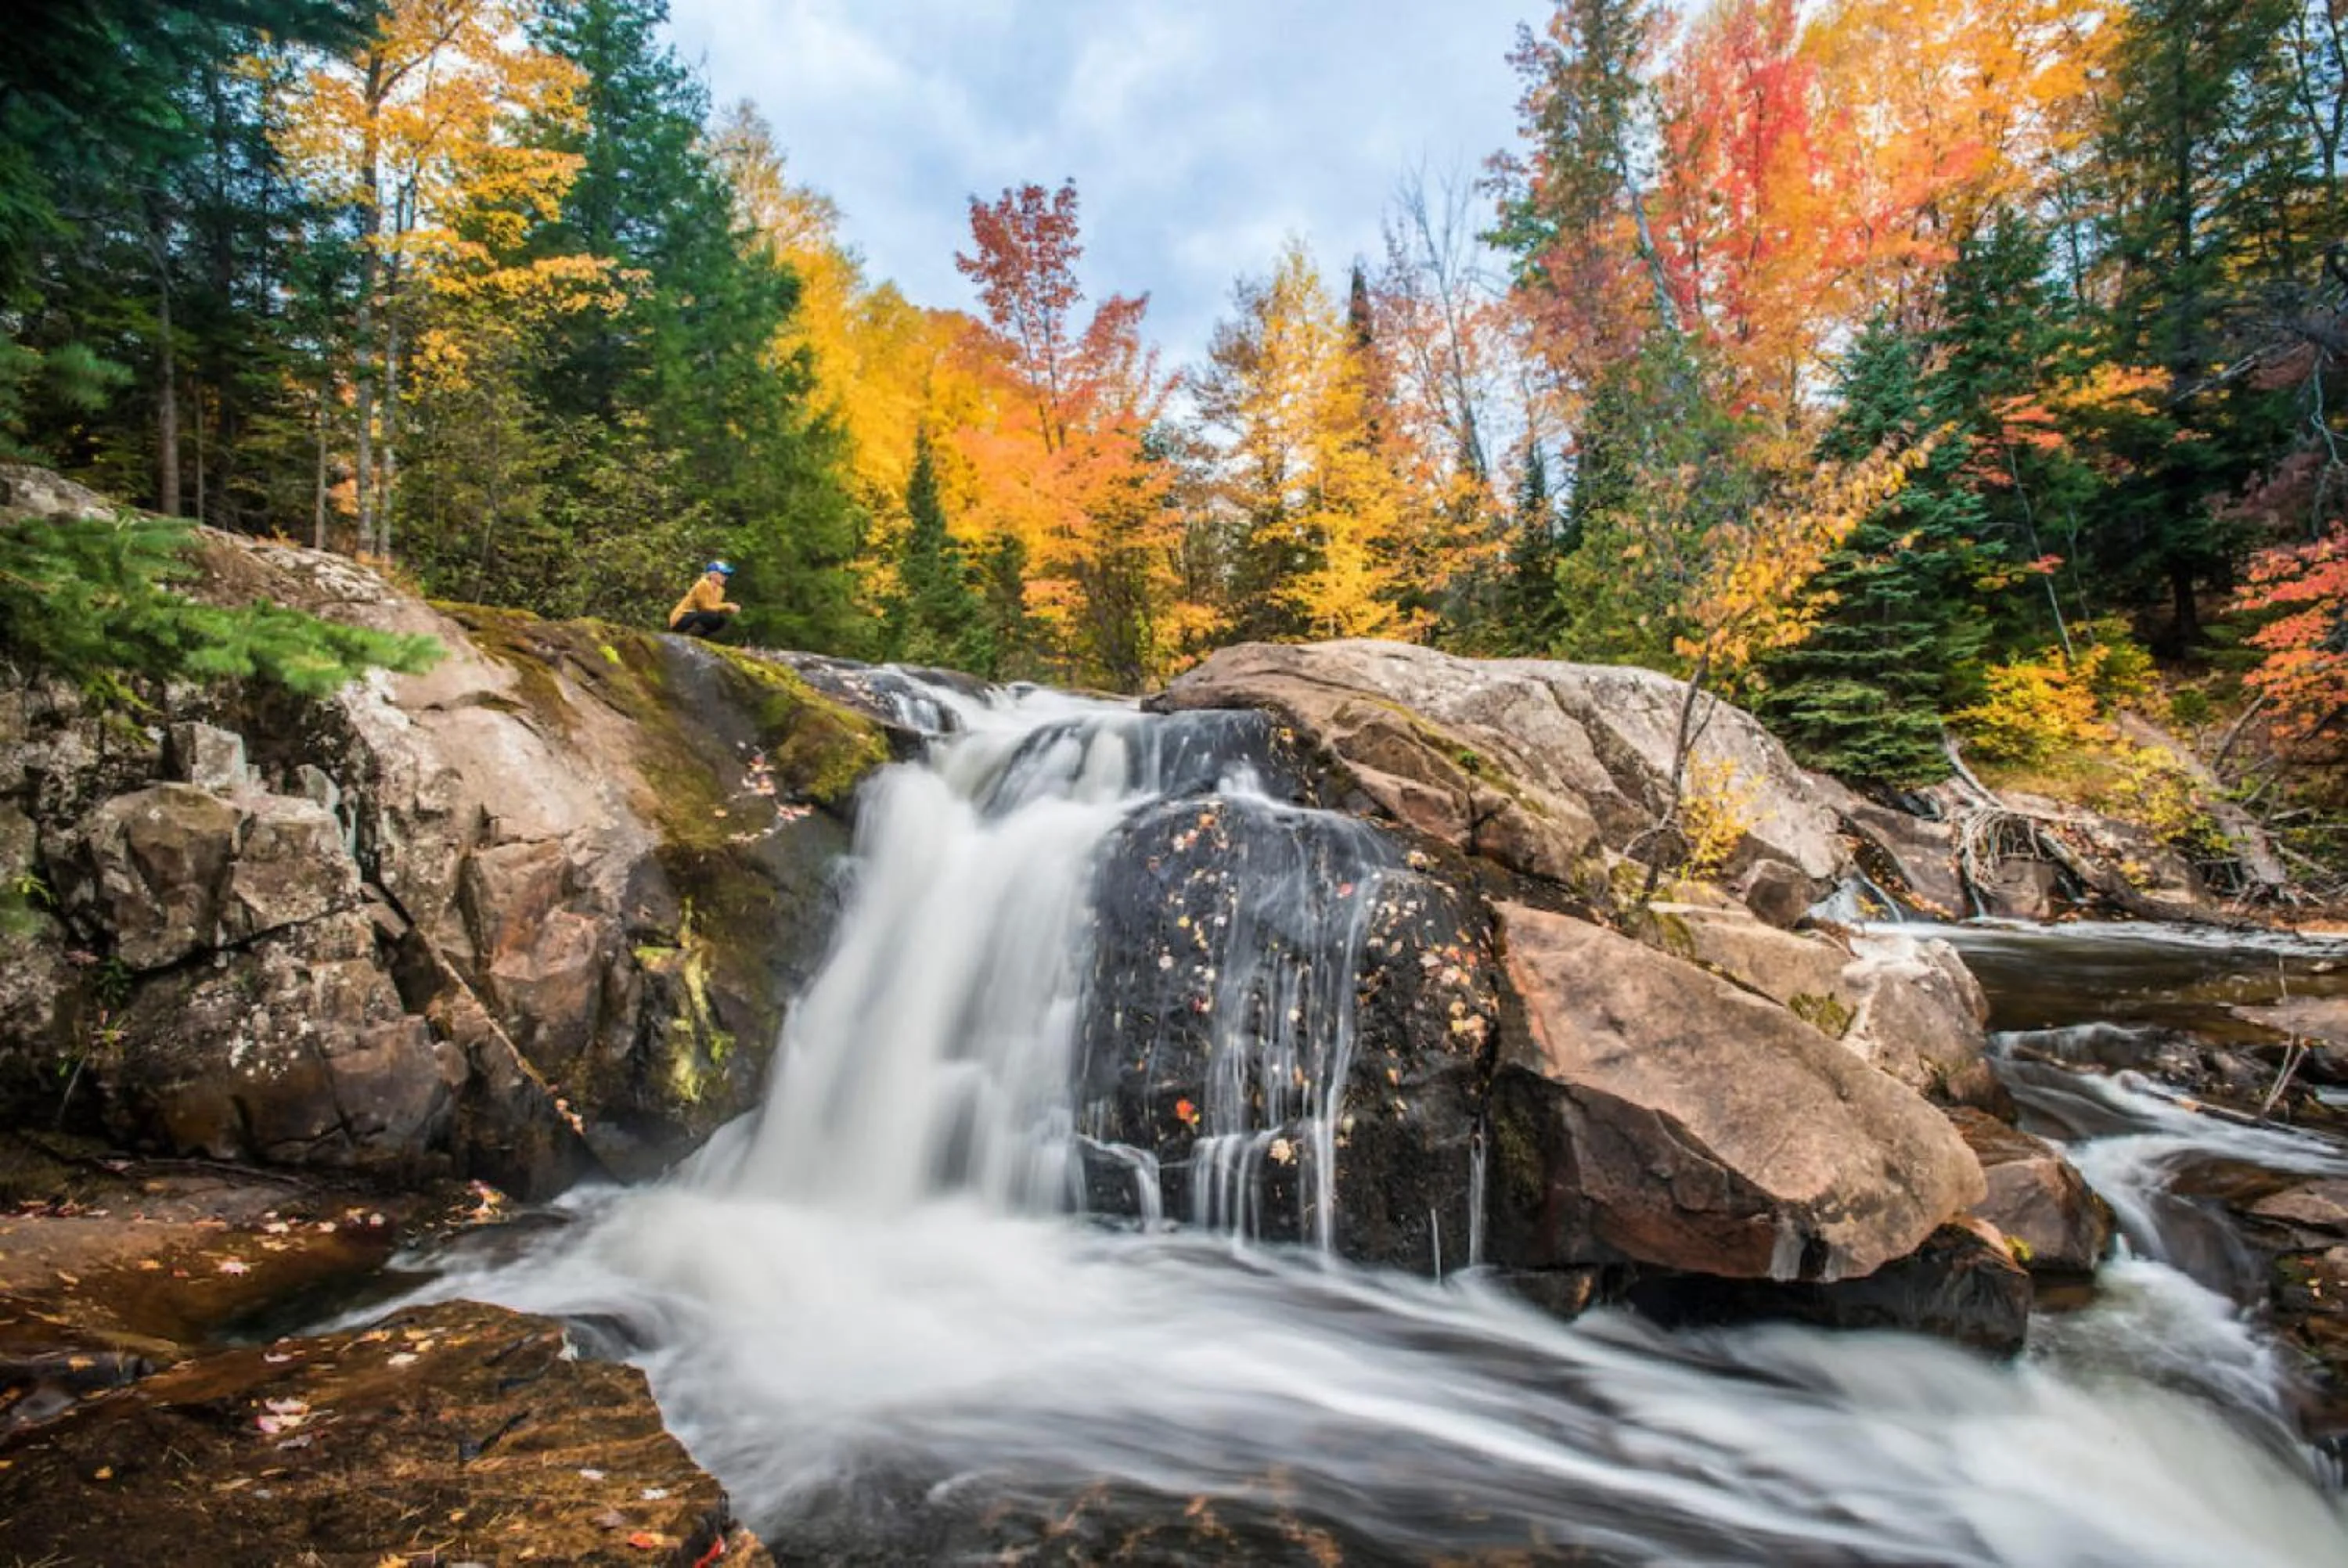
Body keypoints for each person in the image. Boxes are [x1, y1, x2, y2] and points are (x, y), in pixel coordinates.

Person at [668, 560, 740, 639]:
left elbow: (714, 607)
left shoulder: (720, 591)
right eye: (723, 574)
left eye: (727, 575)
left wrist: (728, 609)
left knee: (720, 620)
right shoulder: (703, 584)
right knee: (709, 616)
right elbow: (704, 607)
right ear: (713, 574)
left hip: (696, 617)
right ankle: (687, 636)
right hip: (681, 618)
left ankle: (696, 637)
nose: (726, 577)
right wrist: (726, 606)